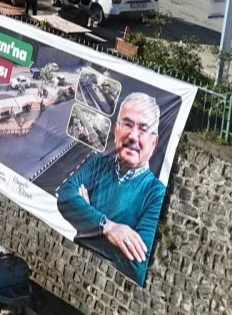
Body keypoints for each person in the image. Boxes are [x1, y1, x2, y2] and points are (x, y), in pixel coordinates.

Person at [56, 93, 165, 286]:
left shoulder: (156, 194)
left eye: (143, 129)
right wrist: (108, 227)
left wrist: (86, 220)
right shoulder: (98, 163)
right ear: (116, 131)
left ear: (154, 143)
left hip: (106, 287)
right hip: (71, 268)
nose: (133, 136)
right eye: (128, 124)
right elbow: (65, 196)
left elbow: (137, 267)